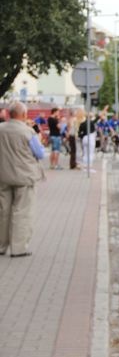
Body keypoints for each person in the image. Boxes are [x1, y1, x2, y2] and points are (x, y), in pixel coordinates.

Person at [0, 101, 45, 257]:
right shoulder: (28, 132)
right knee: (22, 212)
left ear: (9, 114)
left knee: (3, 212)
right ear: (24, 115)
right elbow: (40, 154)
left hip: (3, 176)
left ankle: (1, 246)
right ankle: (18, 248)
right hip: (24, 177)